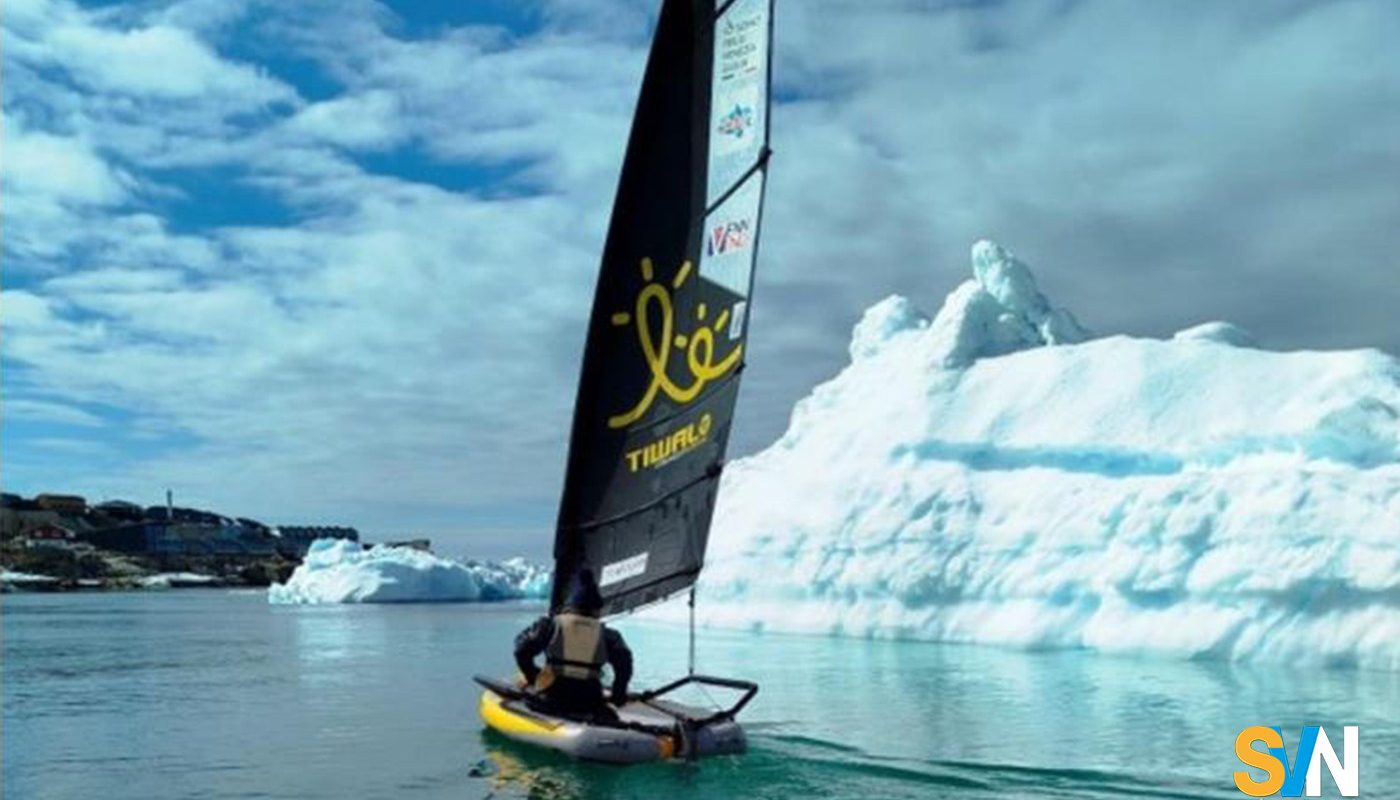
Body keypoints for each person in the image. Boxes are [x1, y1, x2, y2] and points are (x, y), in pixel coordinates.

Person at [513, 568, 633, 721]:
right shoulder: (609, 635)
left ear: (570, 605)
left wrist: (532, 676)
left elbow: (520, 650)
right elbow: (625, 665)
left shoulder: (549, 626)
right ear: (596, 609)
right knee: (608, 714)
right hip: (590, 701)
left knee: (533, 697)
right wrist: (618, 695)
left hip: (552, 698)